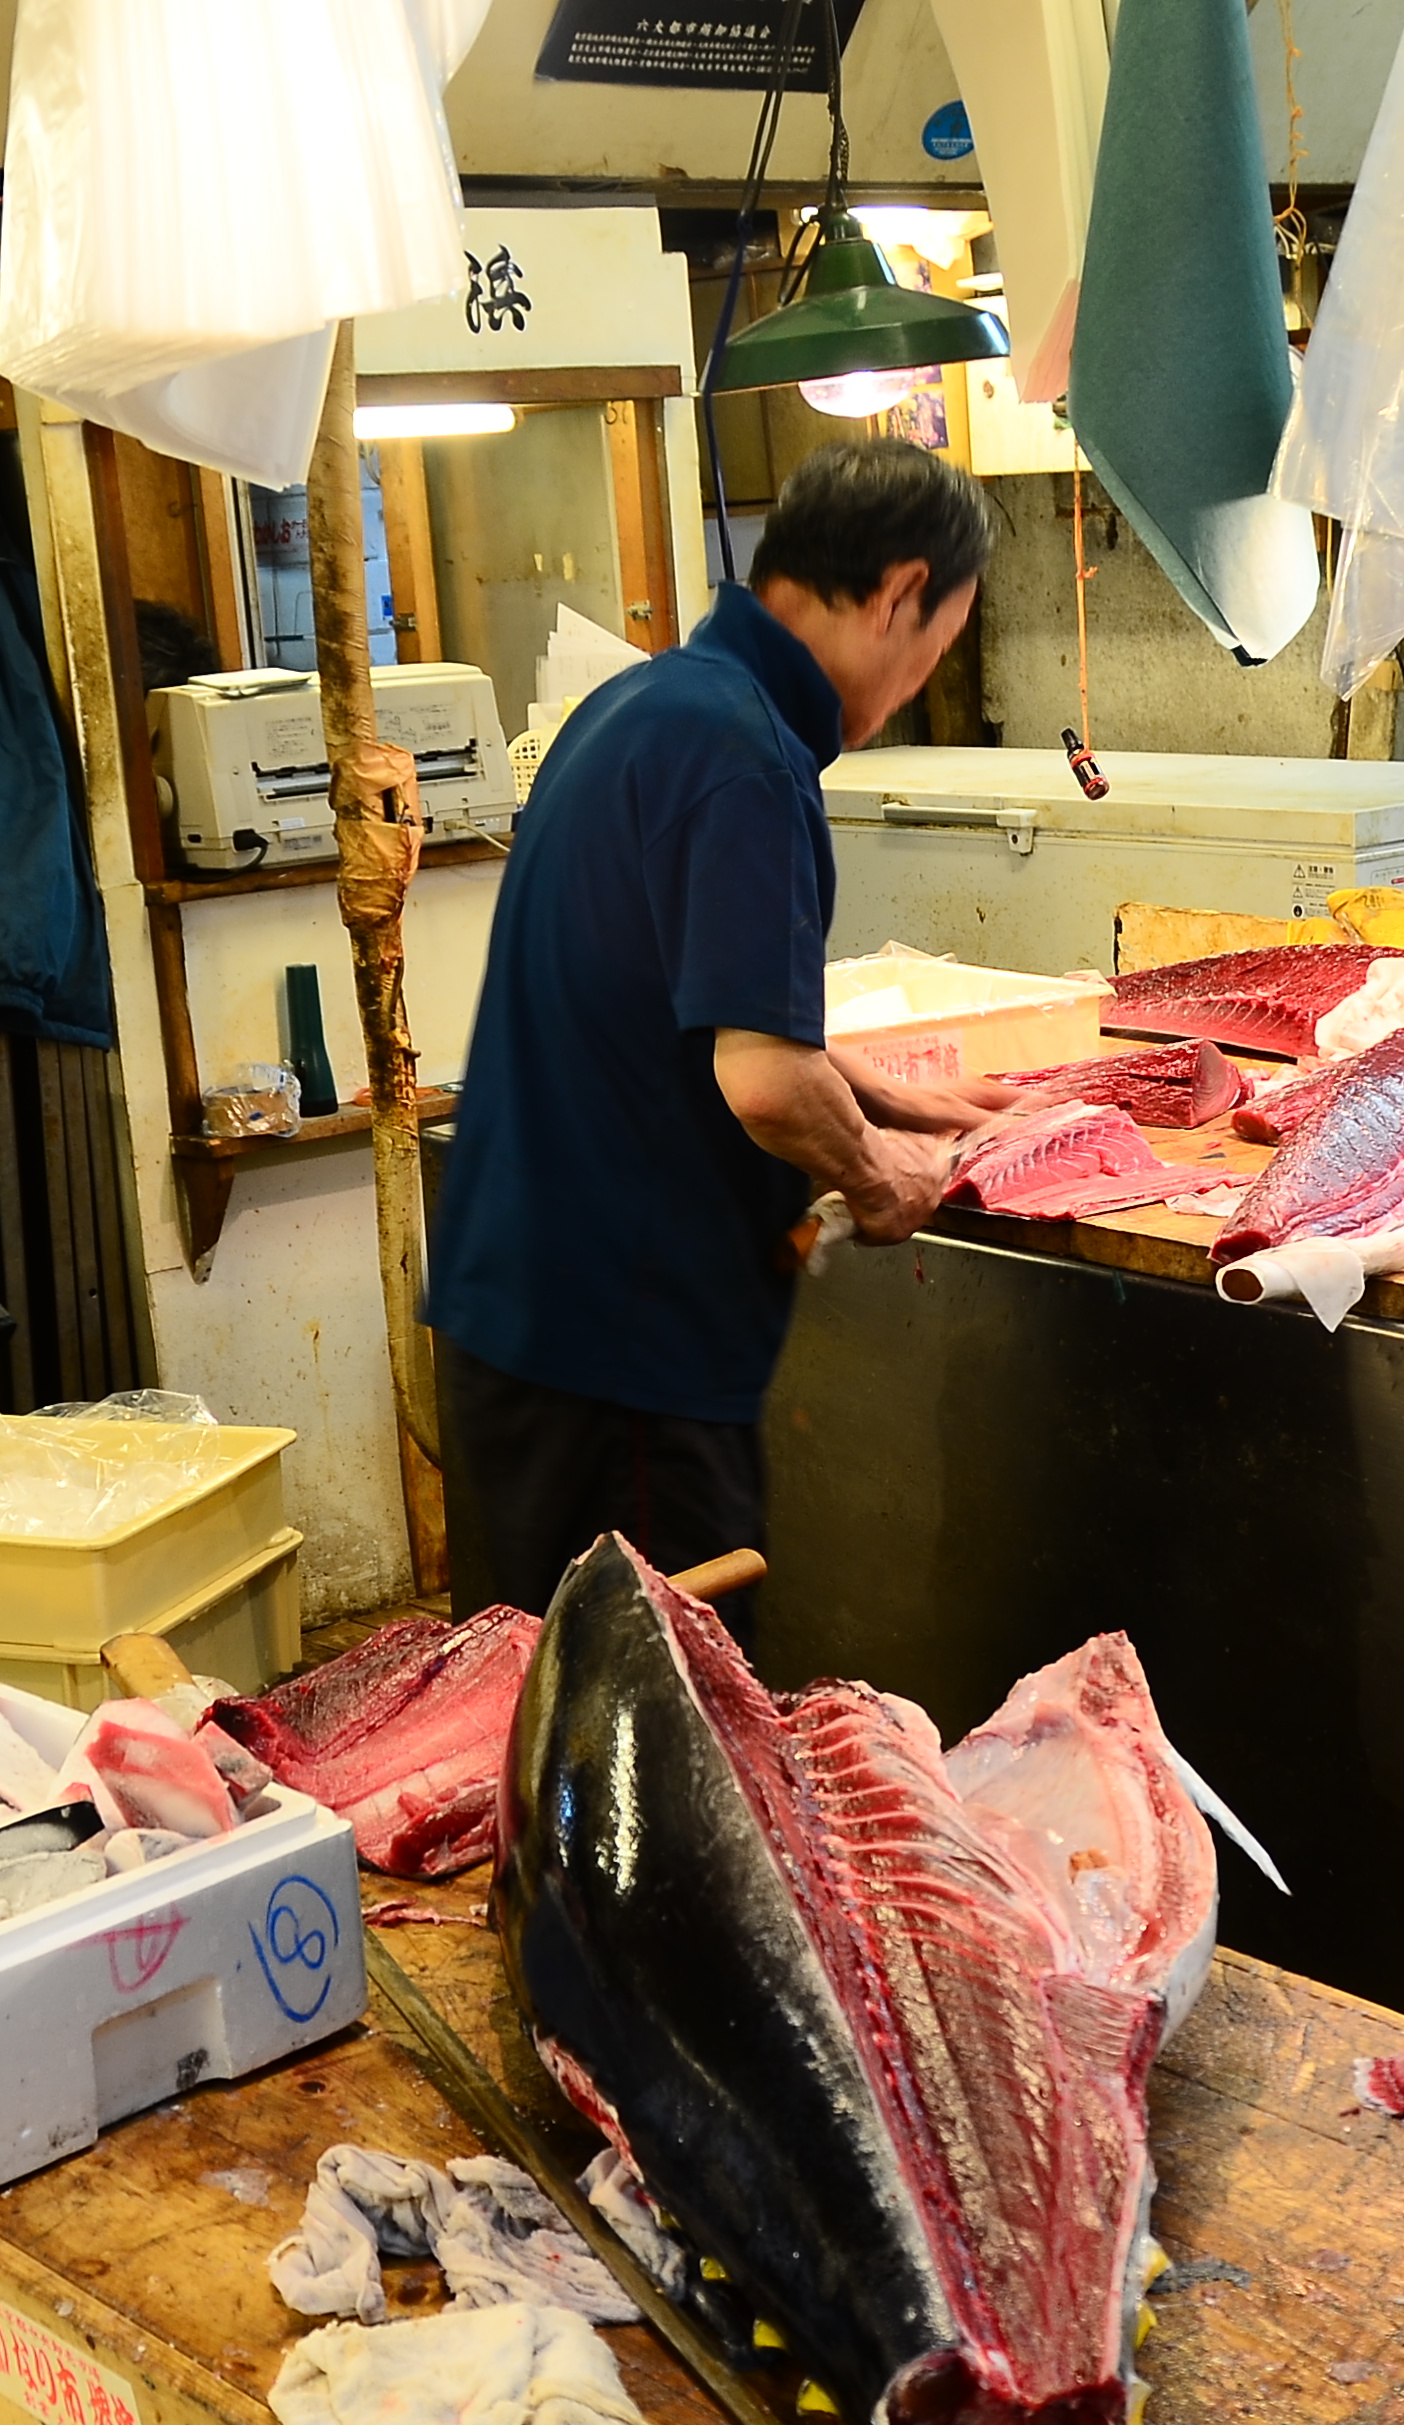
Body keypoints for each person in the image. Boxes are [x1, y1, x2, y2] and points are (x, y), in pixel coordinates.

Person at [421, 442, 991, 1630]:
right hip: (620, 1364)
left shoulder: (649, 702)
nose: (917, 683)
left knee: (562, 1718)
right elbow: (765, 1080)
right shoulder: (740, 754)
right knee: (653, 1740)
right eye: (935, 648)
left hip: (540, 1332)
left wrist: (906, 1102)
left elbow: (700, 1012)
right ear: (896, 594)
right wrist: (880, 1177)